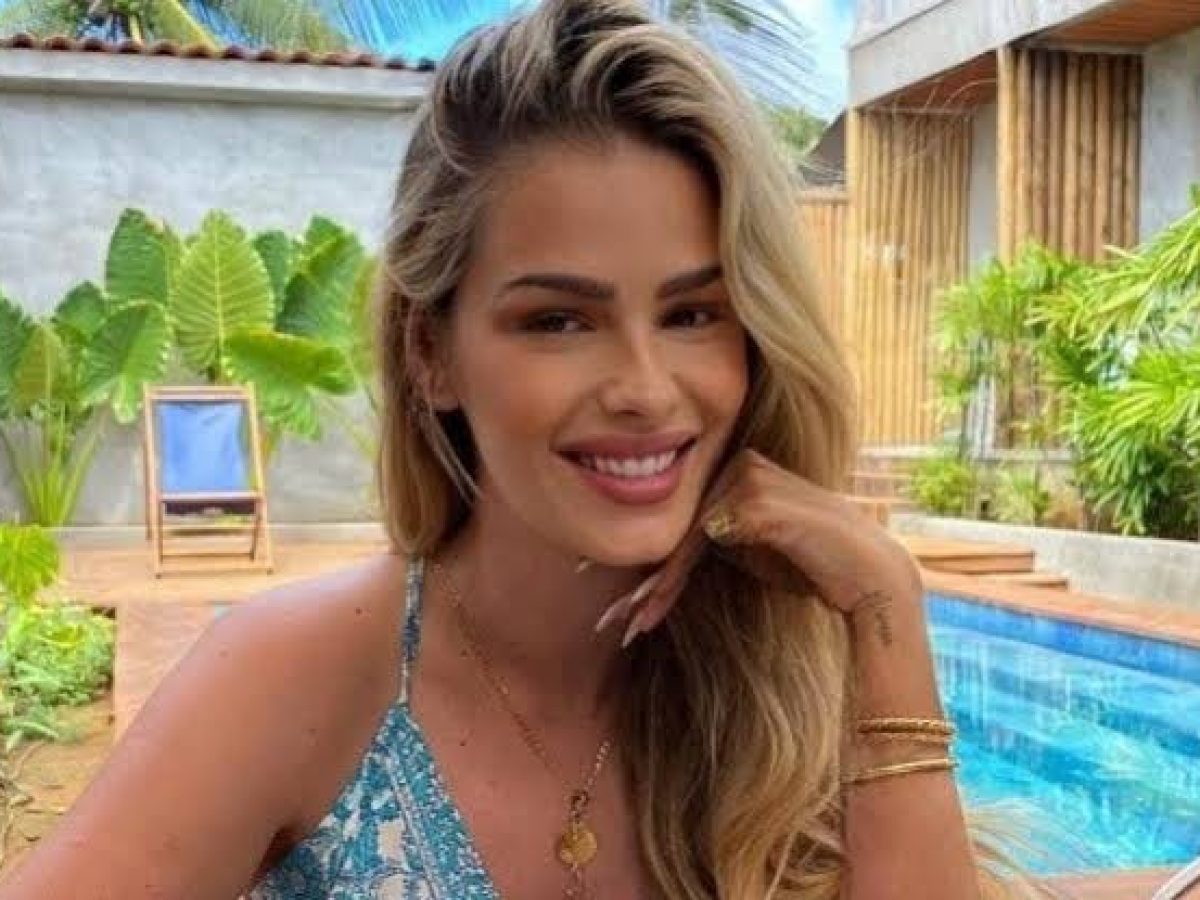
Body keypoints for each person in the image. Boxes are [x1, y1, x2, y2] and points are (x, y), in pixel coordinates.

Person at [0, 1, 1047, 897]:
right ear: (432, 354)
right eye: (558, 321)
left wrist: (885, 609)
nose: (646, 389)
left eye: (693, 314)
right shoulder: (302, 680)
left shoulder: (782, 690)